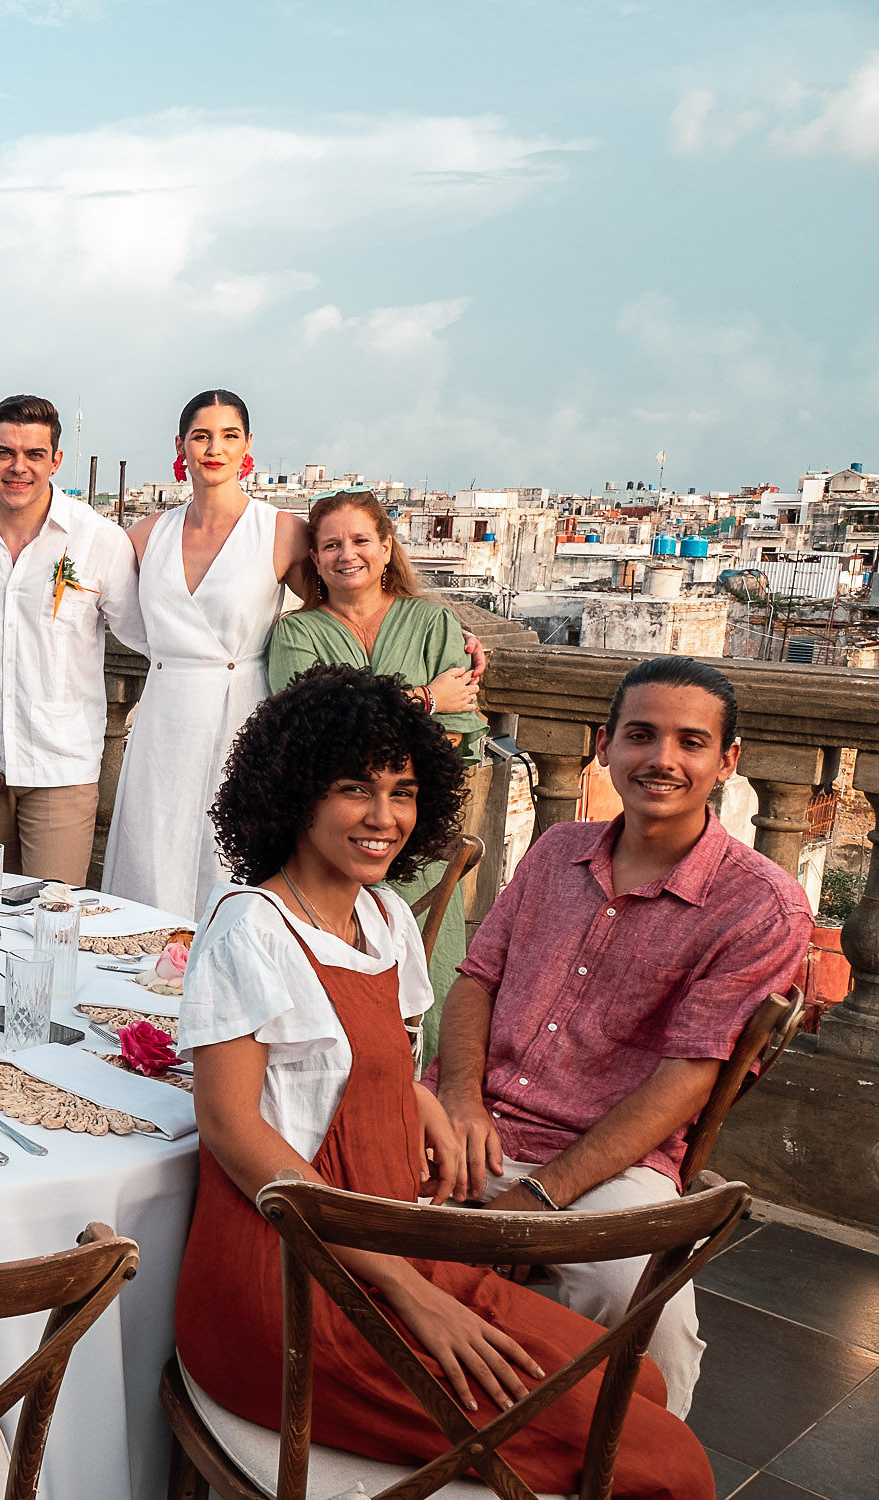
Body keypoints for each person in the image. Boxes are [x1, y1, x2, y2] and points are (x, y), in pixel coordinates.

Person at [175, 665, 710, 1500]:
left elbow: (373, 1055)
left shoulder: (383, 917)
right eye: (355, 789)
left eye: (404, 790)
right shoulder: (250, 930)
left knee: (639, 1391)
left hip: (392, 1242)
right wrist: (407, 1292)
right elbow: (232, 1130)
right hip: (294, 1285)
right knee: (661, 1460)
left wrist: (423, 1103)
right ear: (295, 794)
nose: (385, 817)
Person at [432, 656, 811, 1418]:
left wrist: (541, 1198)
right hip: (468, 1120)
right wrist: (458, 1098)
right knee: (314, 1204)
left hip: (613, 1159)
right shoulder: (552, 853)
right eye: (641, 736)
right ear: (605, 745)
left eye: (690, 742)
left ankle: (632, 1467)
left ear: (726, 761)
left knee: (645, 1311)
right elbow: (476, 980)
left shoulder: (760, 906)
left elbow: (689, 1076)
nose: (662, 760)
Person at [268, 490, 487, 1038]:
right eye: (331, 545)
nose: (348, 554)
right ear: (314, 560)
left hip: (417, 834)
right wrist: (426, 701)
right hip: (331, 837)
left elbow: (453, 741)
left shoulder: (434, 623)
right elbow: (315, 730)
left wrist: (392, 753)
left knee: (428, 974)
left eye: (361, 540)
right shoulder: (296, 633)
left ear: (387, 548)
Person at [100, 390, 306, 919]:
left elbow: (350, 606)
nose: (215, 447)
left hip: (244, 713)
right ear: (181, 446)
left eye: (229, 435)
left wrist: (441, 636)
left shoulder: (281, 531)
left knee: (231, 857)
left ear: (248, 446)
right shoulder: (145, 535)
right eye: (201, 435)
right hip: (165, 718)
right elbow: (91, 611)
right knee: (154, 850)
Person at [0, 394, 136, 883]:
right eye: (5, 453)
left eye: (34, 455)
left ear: (55, 461)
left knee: (56, 915)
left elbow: (147, 636)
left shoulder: (97, 540)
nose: (18, 467)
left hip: (59, 766)